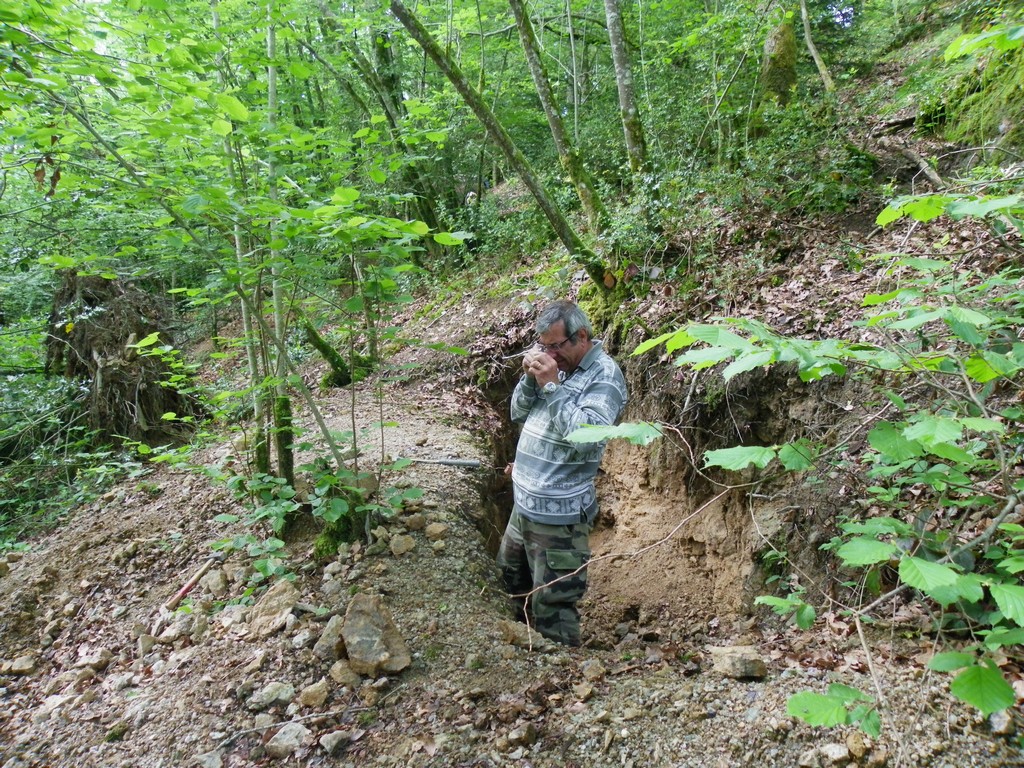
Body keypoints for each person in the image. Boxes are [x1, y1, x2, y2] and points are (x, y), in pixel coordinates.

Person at [497, 300, 627, 646]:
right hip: (523, 508)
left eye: (555, 346)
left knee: (553, 606)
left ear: (581, 336)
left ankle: (562, 671)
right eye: (543, 347)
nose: (549, 354)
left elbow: (586, 439)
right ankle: (520, 657)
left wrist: (552, 385)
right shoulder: (557, 365)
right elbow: (517, 412)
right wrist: (530, 380)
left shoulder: (605, 376)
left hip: (559, 518)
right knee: (510, 586)